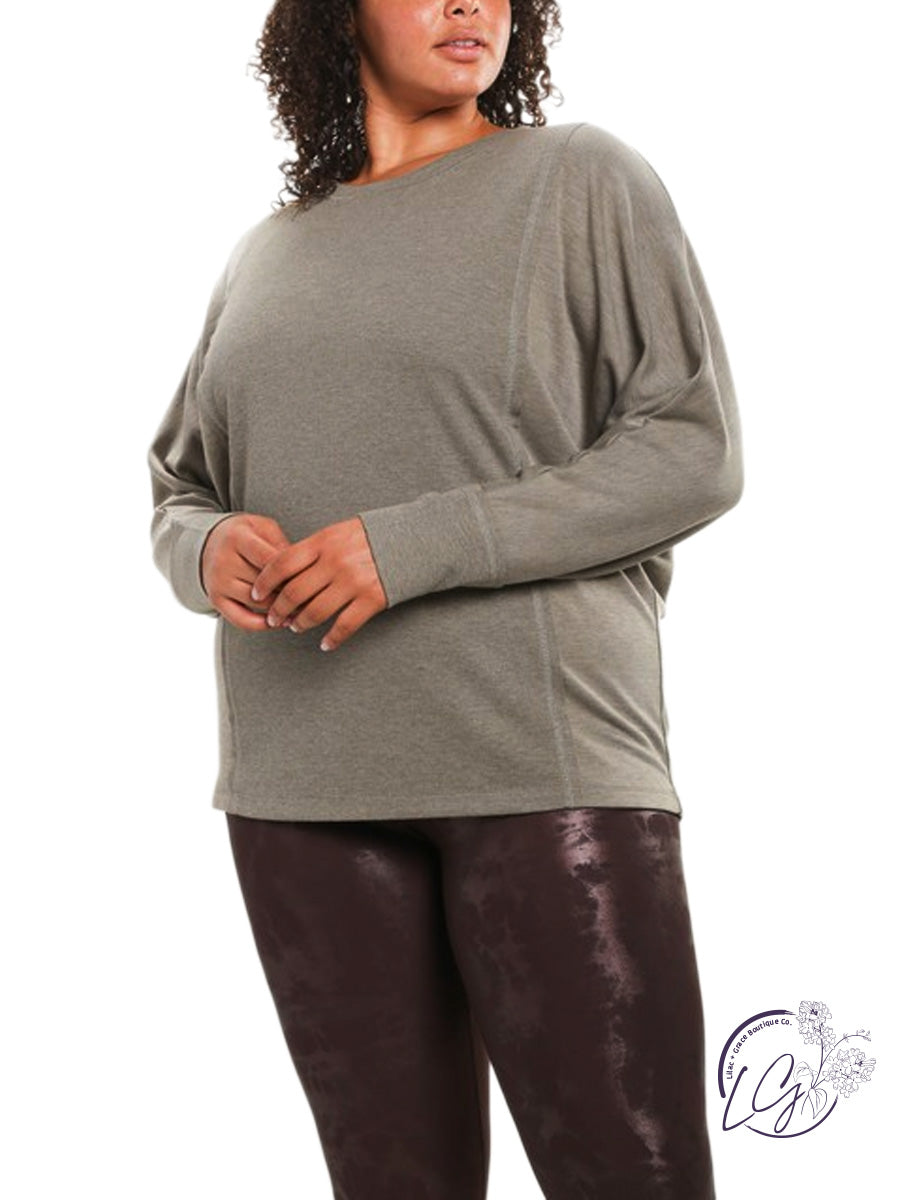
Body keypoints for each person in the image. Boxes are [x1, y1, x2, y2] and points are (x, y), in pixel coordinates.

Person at [146, 1, 743, 1196]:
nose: (472, 3)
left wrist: (408, 545)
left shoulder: (581, 179)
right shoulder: (268, 251)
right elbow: (180, 485)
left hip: (540, 760)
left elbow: (691, 450)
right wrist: (206, 552)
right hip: (300, 789)